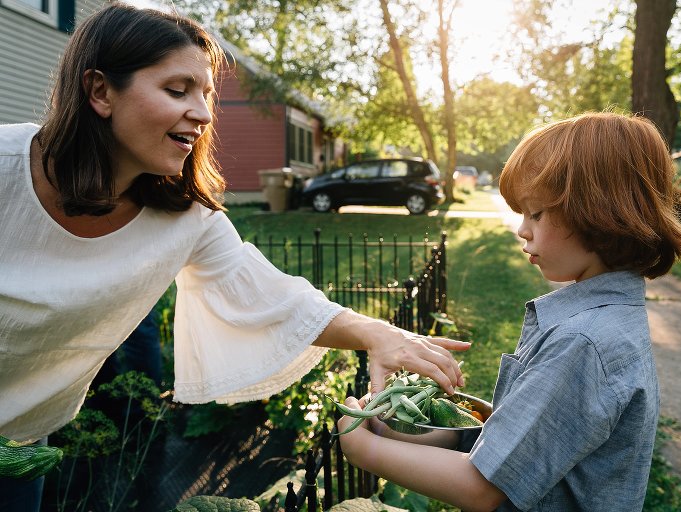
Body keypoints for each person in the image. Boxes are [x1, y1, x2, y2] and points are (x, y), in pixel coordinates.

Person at [0, 4, 468, 510]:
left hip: (19, 448)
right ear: (100, 91)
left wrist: (379, 334)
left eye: (205, 95)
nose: (202, 113)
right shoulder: (5, 168)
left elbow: (271, 297)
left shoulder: (186, 219)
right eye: (177, 90)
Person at [338, 111, 681, 511]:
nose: (522, 230)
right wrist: (412, 429)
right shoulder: (605, 322)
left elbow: (482, 488)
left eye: (537, 213)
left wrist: (362, 449)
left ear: (599, 211)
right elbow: (527, 445)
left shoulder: (582, 344)